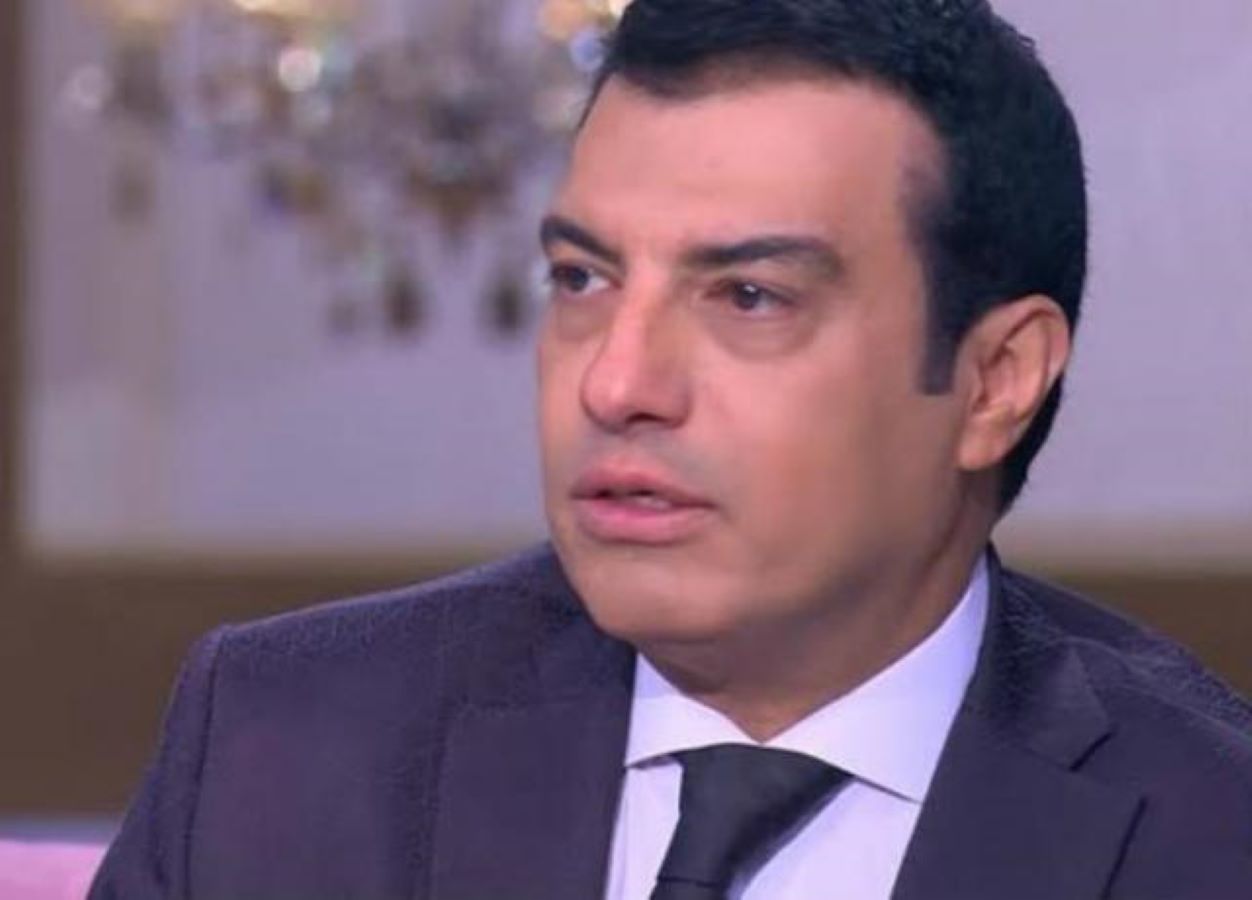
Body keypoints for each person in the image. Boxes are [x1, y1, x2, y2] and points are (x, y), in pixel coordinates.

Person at [90, 1, 1252, 898]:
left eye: (748, 296)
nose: (615, 383)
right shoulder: (282, 746)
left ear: (994, 380)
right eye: (581, 279)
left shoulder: (1210, 829)